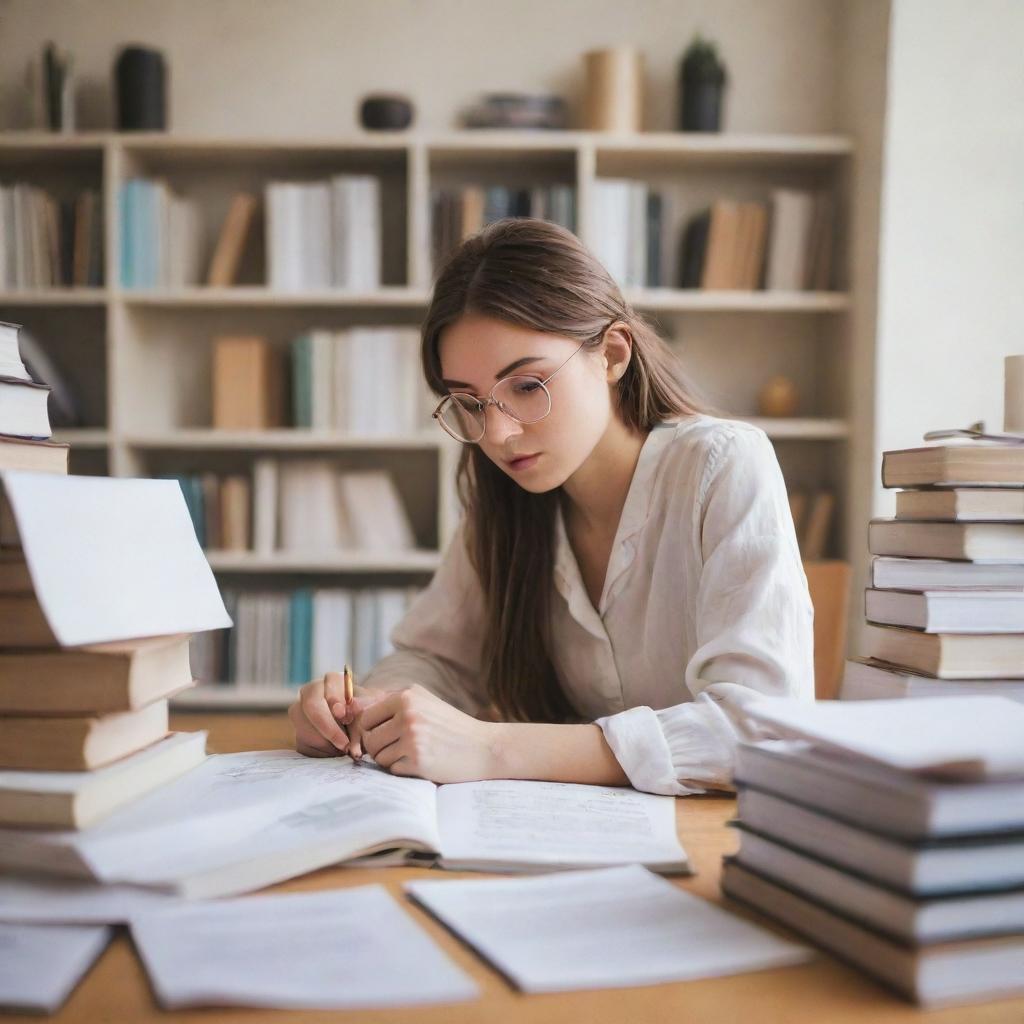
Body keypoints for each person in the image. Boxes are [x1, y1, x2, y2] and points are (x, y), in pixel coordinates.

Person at [288, 216, 815, 795]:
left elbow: (761, 731)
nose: (498, 434)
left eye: (527, 386)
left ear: (612, 354)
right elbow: (434, 661)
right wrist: (365, 709)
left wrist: (490, 747)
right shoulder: (506, 504)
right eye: (468, 403)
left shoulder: (723, 465)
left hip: (720, 844)